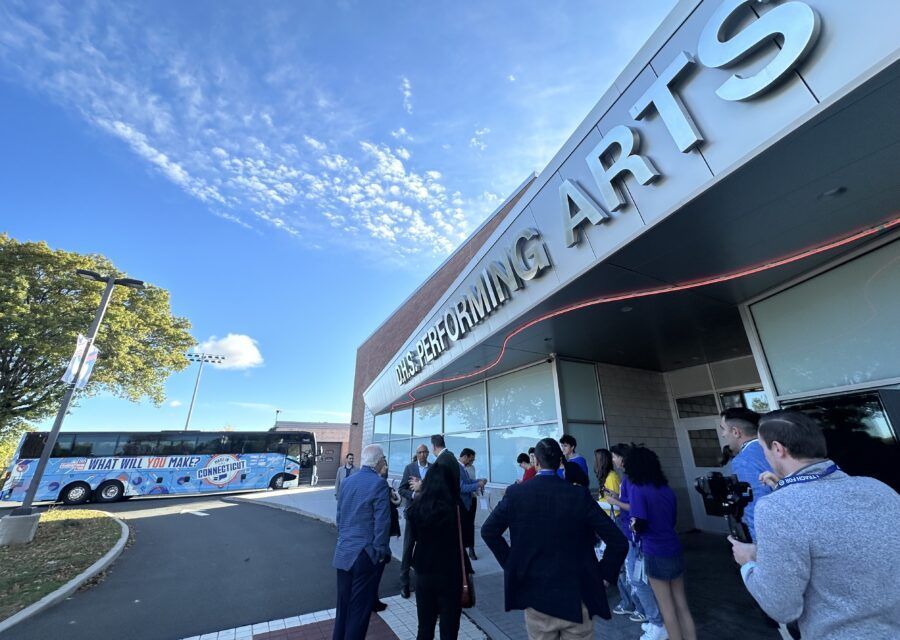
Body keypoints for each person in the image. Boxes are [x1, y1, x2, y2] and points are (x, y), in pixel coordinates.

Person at [729, 411, 900, 640]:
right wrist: (785, 492)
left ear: (778, 449)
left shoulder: (777, 508)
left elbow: (781, 607)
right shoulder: (878, 488)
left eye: (763, 448)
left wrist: (748, 563)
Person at [481, 438, 627, 640]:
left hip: (537, 596)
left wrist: (513, 565)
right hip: (578, 596)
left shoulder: (517, 493)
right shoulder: (578, 495)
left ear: (536, 462)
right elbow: (618, 541)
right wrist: (604, 575)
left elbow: (489, 531)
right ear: (560, 462)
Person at [625, 446, 696, 640]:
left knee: (667, 609)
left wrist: (632, 525)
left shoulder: (638, 490)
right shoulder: (666, 489)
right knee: (682, 606)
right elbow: (672, 521)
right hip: (674, 547)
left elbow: (639, 524)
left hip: (654, 550)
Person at [332, 445, 391, 640]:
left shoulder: (347, 482)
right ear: (378, 461)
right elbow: (382, 522)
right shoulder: (379, 483)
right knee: (359, 612)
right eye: (383, 459)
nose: (384, 462)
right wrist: (380, 552)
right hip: (364, 555)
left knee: (343, 607)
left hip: (343, 553)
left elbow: (340, 516)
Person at [406, 463, 470, 640]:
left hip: (424, 572)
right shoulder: (456, 508)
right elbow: (466, 538)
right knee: (449, 629)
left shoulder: (416, 509)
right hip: (451, 573)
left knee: (425, 627)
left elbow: (416, 535)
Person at [604, 444, 658, 628]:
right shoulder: (639, 481)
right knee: (636, 575)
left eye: (614, 456)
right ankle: (649, 615)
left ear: (623, 458)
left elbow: (635, 507)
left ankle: (650, 616)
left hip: (634, 534)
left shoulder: (630, 480)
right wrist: (615, 498)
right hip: (633, 533)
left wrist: (614, 501)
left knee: (636, 576)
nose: (613, 460)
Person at [718, 407, 772, 541]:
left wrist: (755, 549)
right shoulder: (772, 448)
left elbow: (756, 506)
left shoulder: (744, 460)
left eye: (723, 429)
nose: (723, 435)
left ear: (736, 432)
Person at [398, 443, 431, 598]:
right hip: (412, 514)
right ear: (416, 454)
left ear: (428, 453)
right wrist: (413, 495)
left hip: (428, 515)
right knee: (408, 548)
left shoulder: (433, 469)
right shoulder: (409, 468)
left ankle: (422, 582)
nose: (422, 455)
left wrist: (423, 488)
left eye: (425, 452)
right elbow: (401, 489)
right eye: (420, 452)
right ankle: (404, 583)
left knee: (425, 549)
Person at [371, 461, 402, 613]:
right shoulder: (381, 485)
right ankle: (373, 600)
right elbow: (386, 510)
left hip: (379, 534)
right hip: (380, 535)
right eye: (384, 465)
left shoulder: (379, 484)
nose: (387, 468)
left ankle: (372, 598)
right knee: (377, 566)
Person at [459, 448, 480, 561]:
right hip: (463, 502)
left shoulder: (471, 468)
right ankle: (463, 550)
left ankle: (471, 549)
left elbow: (471, 481)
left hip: (472, 499)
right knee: (463, 526)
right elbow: (462, 487)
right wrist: (477, 484)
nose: (472, 462)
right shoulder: (458, 468)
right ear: (466, 457)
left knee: (470, 525)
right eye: (471, 459)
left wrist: (479, 482)